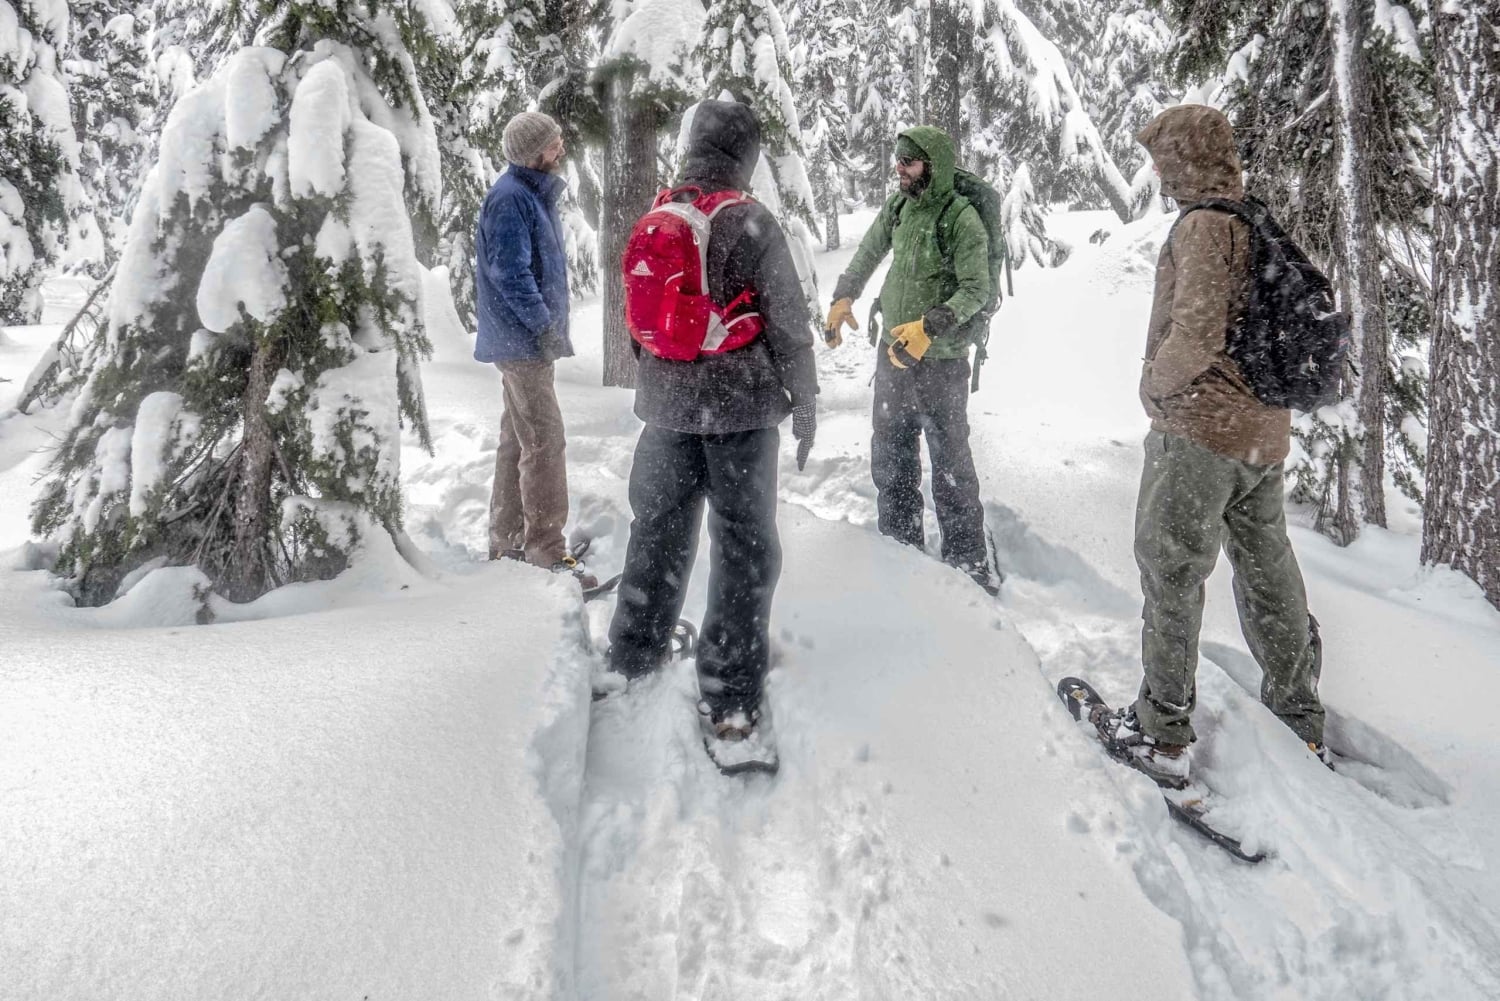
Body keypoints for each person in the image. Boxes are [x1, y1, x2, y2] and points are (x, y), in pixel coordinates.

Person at [1109, 104, 1327, 786]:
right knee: (1267, 570)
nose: (1156, 171)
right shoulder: (1250, 216)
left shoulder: (1204, 225)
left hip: (1202, 431)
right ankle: (1299, 718)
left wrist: (1153, 384)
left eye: (1162, 158)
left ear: (1185, 158)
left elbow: (1197, 332)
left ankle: (1161, 731)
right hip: (1262, 433)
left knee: (1171, 570)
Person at [607, 100, 819, 747]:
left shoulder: (661, 211)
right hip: (740, 414)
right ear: (744, 155)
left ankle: (634, 650)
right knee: (744, 546)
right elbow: (789, 323)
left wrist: (667, 383)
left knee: (658, 530)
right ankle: (729, 695)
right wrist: (805, 399)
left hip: (666, 413)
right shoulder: (750, 221)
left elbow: (640, 324)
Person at [824, 126, 997, 594]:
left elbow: (977, 289)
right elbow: (868, 252)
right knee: (891, 452)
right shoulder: (899, 207)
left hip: (941, 361)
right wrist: (844, 295)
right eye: (897, 159)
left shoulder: (960, 217)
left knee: (950, 461)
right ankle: (899, 546)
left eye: (909, 161)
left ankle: (969, 560)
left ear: (932, 166)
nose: (899, 168)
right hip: (893, 356)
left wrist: (930, 327)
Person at [474, 111, 592, 585]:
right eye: (553, 142)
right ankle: (546, 550)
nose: (560, 147)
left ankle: (507, 541)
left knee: (518, 439)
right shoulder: (511, 198)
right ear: (532, 153)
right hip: (522, 341)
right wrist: (543, 326)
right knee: (545, 441)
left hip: (523, 339)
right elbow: (510, 273)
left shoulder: (527, 193)